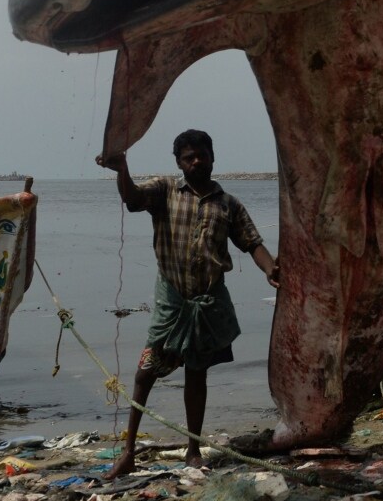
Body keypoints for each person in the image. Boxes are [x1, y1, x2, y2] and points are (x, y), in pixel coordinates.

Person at [97, 130, 279, 479]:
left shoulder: (228, 204)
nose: (195, 162)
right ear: (178, 163)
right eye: (188, 157)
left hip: (207, 300)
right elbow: (133, 199)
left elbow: (252, 243)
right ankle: (128, 451)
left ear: (213, 157)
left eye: (201, 155)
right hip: (172, 299)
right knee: (145, 372)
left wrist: (271, 269)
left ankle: (193, 449)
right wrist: (122, 169)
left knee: (197, 372)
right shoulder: (165, 190)